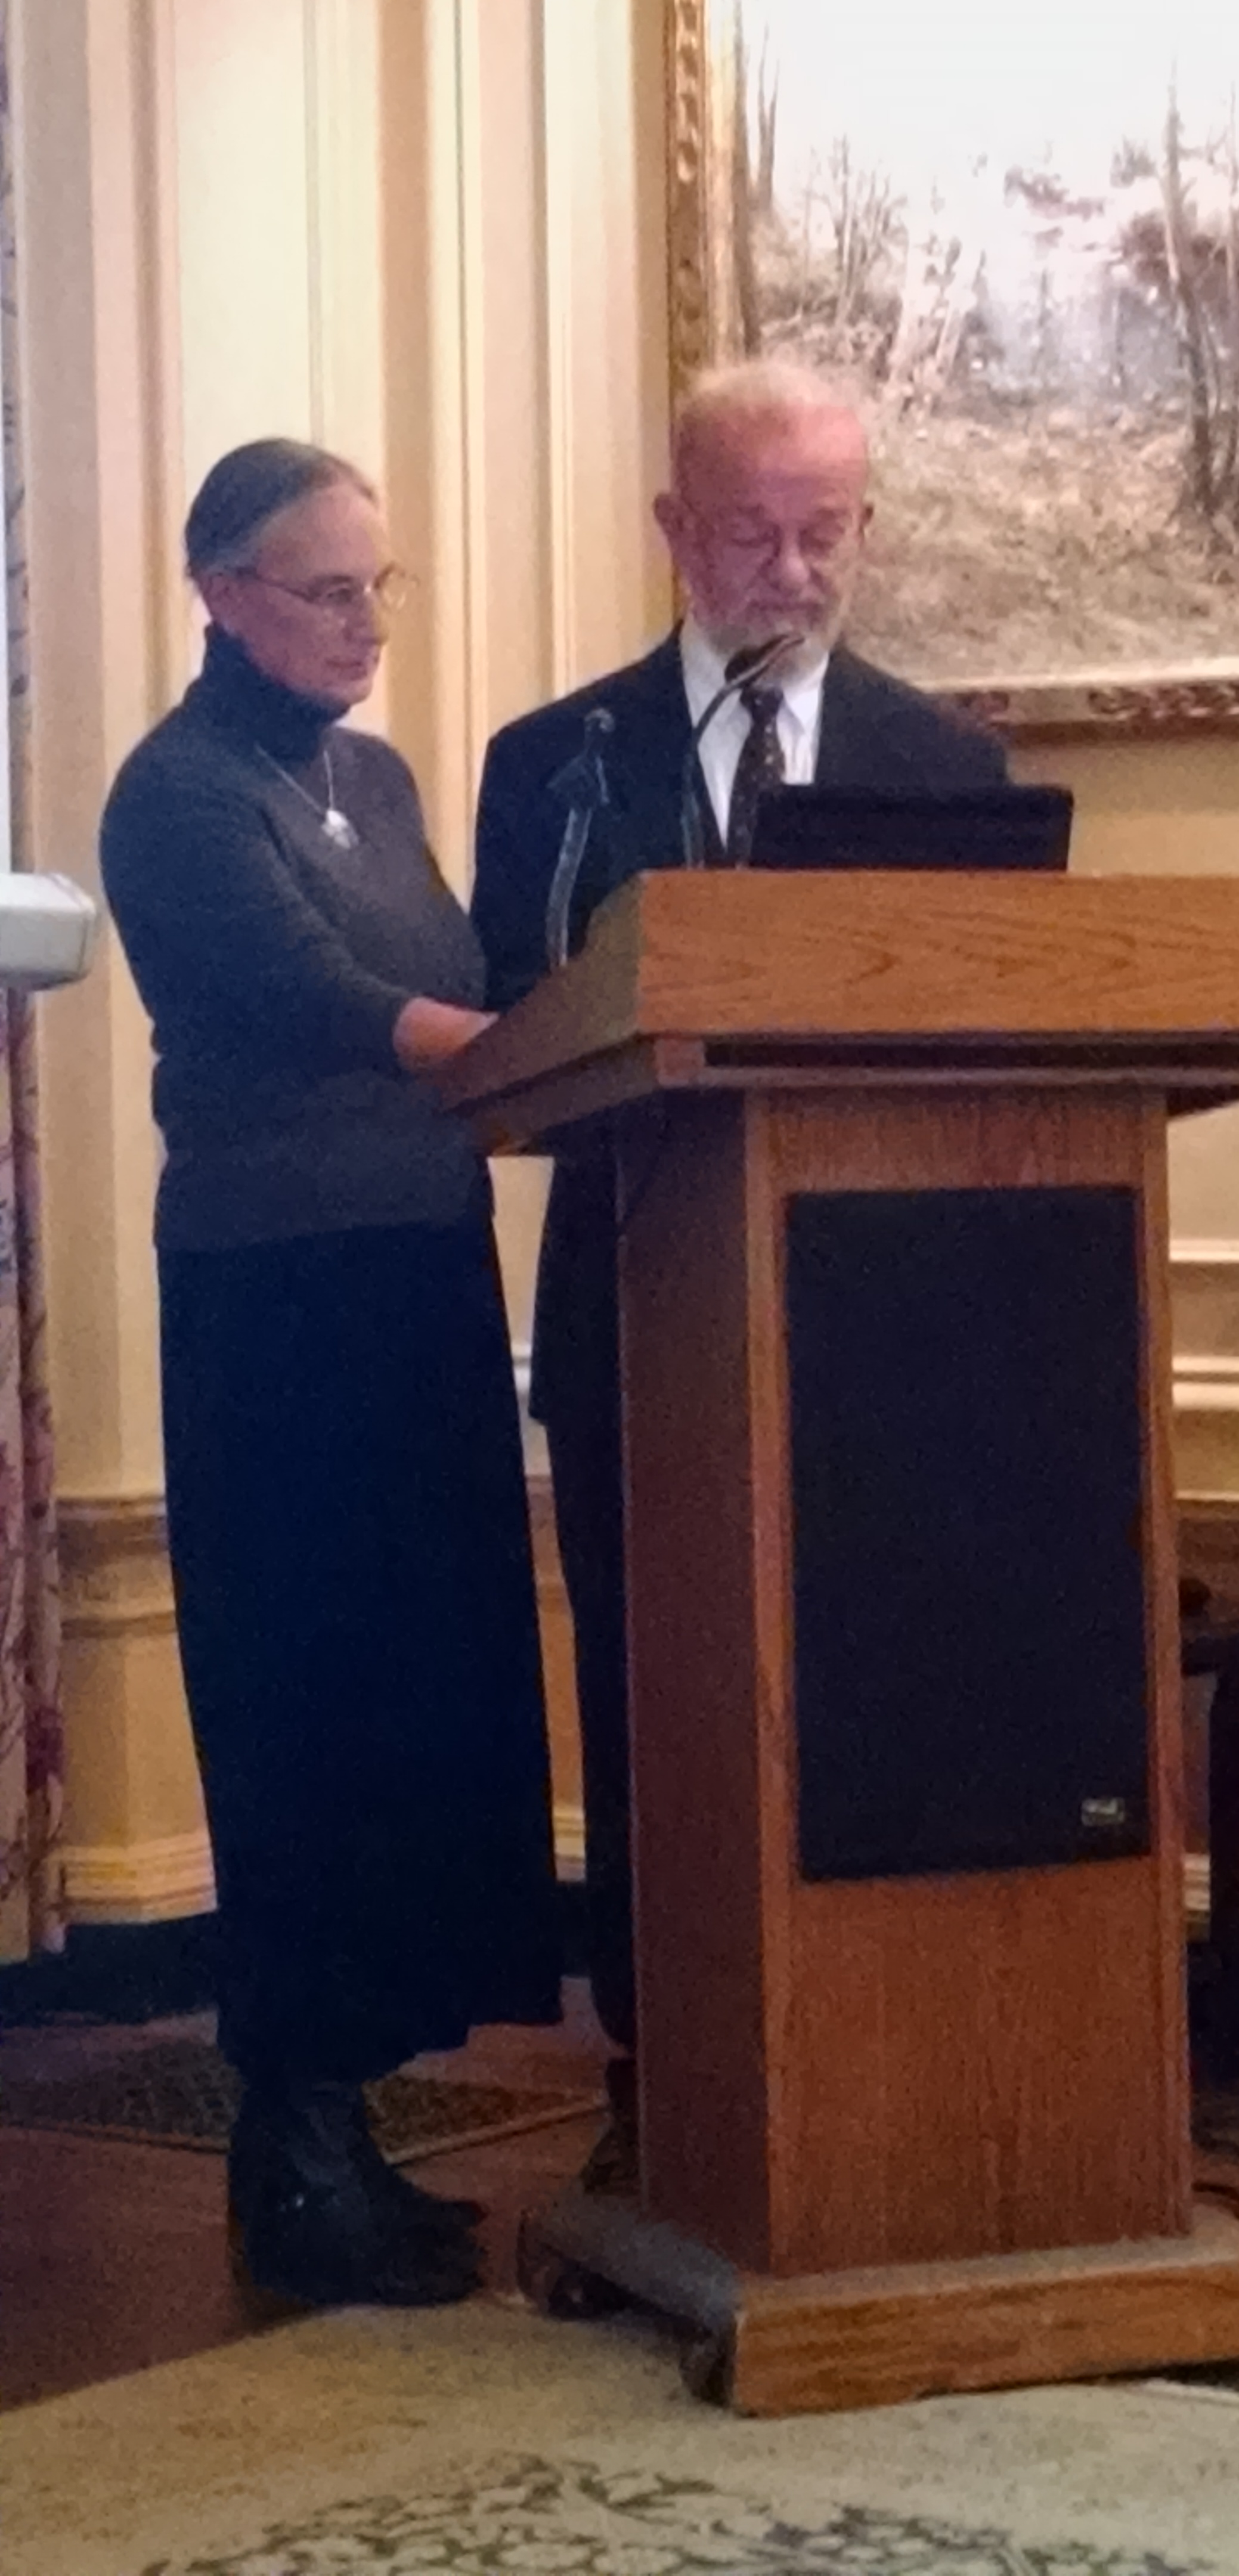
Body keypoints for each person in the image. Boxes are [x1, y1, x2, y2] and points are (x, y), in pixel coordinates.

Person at [470, 362, 1007, 2182]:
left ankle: (885, 2068)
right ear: (674, 531)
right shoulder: (554, 764)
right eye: (753, 533)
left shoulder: (948, 765)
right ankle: (661, 2074)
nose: (791, 572)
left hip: (884, 1325)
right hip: (641, 1304)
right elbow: (528, 1041)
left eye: (824, 533)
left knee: (868, 1680)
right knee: (650, 1686)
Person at [101, 439, 560, 2308]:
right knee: (303, 1705)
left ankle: (343, 2127)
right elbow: (321, 996)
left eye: (380, 586)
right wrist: (549, 1046)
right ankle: (286, 2144)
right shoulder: (177, 791)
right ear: (219, 591)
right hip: (278, 1309)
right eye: (322, 589)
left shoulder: (369, 774)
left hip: (418, 1281)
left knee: (413, 1707)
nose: (363, 622)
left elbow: (456, 964)